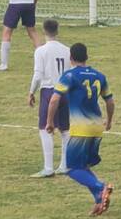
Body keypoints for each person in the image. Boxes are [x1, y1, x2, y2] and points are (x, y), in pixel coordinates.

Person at [46, 43, 115, 216]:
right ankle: (100, 198)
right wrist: (109, 121)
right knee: (83, 166)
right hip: (97, 127)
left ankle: (102, 187)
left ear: (71, 58)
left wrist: (49, 122)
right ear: (87, 57)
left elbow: (54, 100)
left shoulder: (70, 75)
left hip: (81, 128)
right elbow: (110, 101)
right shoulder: (100, 75)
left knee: (71, 168)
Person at [28, 19, 70, 178]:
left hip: (49, 92)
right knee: (65, 130)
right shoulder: (67, 50)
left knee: (45, 129)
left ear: (44, 31)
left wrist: (31, 91)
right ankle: (64, 165)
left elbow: (38, 75)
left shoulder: (41, 51)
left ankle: (48, 167)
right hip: (65, 92)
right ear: (57, 31)